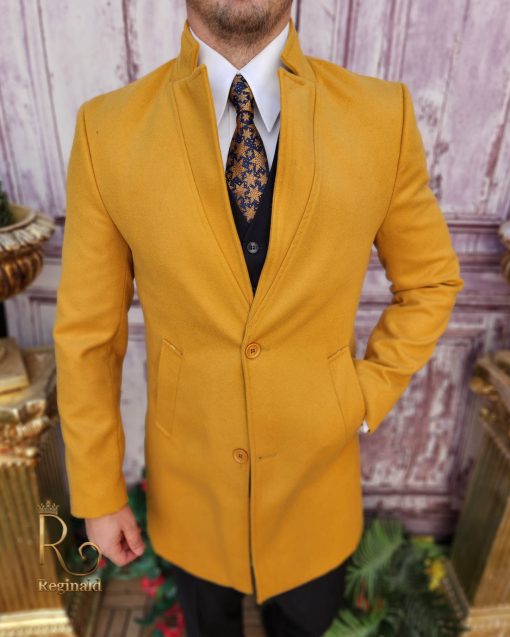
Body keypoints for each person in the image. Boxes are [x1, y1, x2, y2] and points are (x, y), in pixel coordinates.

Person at [52, 1, 464, 635]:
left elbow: (431, 280)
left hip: (316, 493)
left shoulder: (382, 117)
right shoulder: (107, 132)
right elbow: (88, 335)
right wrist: (99, 493)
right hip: (191, 495)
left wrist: (363, 393)